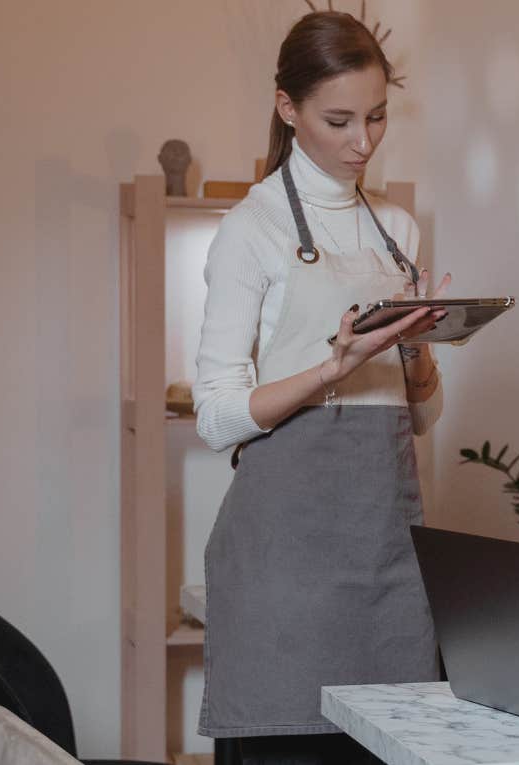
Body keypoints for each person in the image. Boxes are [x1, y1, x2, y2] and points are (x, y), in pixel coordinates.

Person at [192, 11, 448, 764]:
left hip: (387, 563)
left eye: (376, 118)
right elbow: (215, 417)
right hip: (285, 578)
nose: (362, 142)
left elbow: (421, 414)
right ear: (287, 108)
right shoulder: (253, 228)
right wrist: (331, 368)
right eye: (339, 120)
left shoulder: (398, 229)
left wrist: (422, 349)